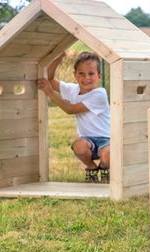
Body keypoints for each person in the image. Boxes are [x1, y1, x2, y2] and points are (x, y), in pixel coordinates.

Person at [37, 51, 111, 183]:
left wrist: (50, 93)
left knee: (108, 154)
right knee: (79, 146)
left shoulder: (100, 94)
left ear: (99, 76)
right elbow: (49, 79)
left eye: (91, 73)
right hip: (87, 140)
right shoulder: (72, 90)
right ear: (75, 75)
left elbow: (70, 109)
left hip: (106, 139)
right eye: (81, 73)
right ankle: (91, 167)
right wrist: (58, 58)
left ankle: (104, 168)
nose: (86, 78)